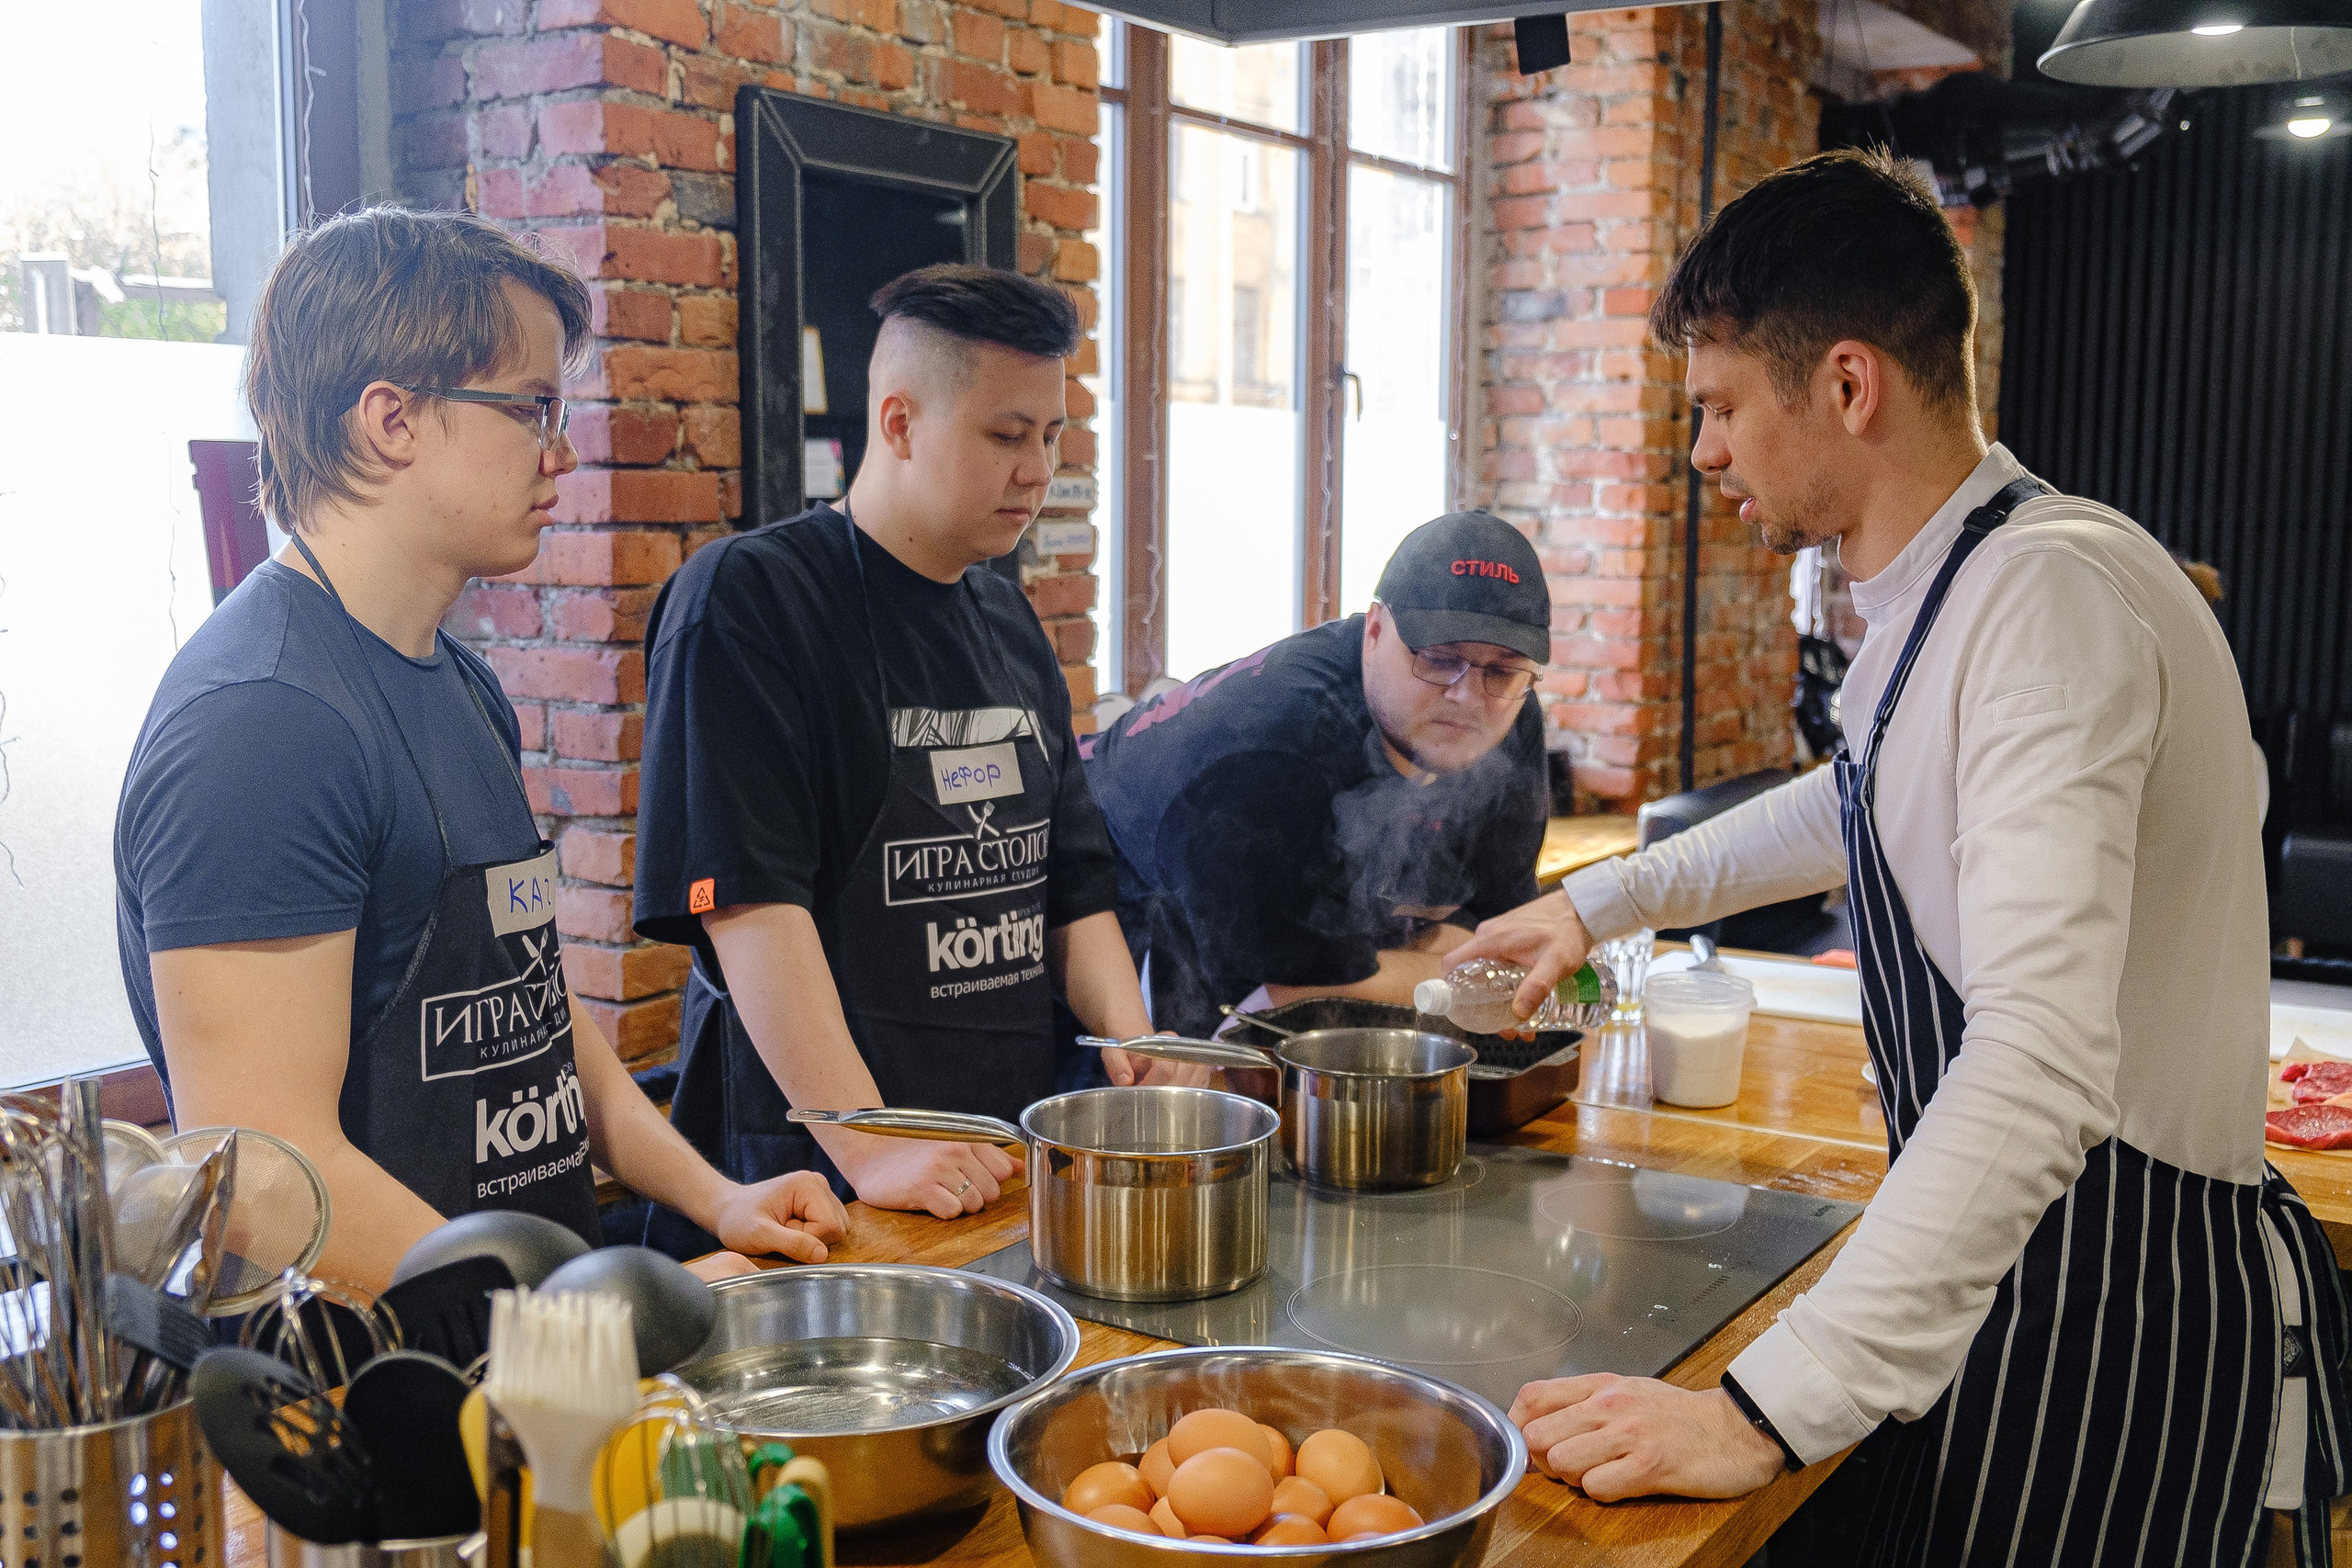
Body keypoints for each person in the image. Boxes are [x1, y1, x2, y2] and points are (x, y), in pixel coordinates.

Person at [1455, 149, 2352, 1563]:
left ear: (1849, 386)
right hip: (2027, 1274)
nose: (1705, 454)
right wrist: (1597, 901)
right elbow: (1857, 802)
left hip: (2115, 1314)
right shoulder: (1967, 582)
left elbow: (2041, 1053)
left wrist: (1763, 1406)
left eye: (1722, 407)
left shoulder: (2044, 601)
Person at [114, 209, 847, 1290]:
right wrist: (576, 1324)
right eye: (531, 408)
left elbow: (533, 1014)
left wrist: (713, 1196)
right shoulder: (259, 727)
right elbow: (265, 1180)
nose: (562, 451)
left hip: (517, 1363)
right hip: (373, 1402)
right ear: (391, 421)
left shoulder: (460, 685)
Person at [631, 264, 1203, 1251]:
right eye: (1005, 436)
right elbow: (749, 905)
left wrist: (1128, 1041)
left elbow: (1070, 883)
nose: (1039, 471)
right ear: (897, 423)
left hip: (1001, 1161)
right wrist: (871, 1138)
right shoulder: (749, 601)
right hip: (821, 1185)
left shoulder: (1008, 619)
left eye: (1053, 436)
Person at [1079, 513, 1551, 1038]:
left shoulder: (1508, 716)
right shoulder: (1272, 752)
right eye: (1440, 660)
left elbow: (1500, 937)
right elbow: (1283, 995)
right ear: (1374, 630)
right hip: (1099, 909)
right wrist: (1458, 973)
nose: (1469, 696)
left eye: (1503, 671)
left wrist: (1425, 965)